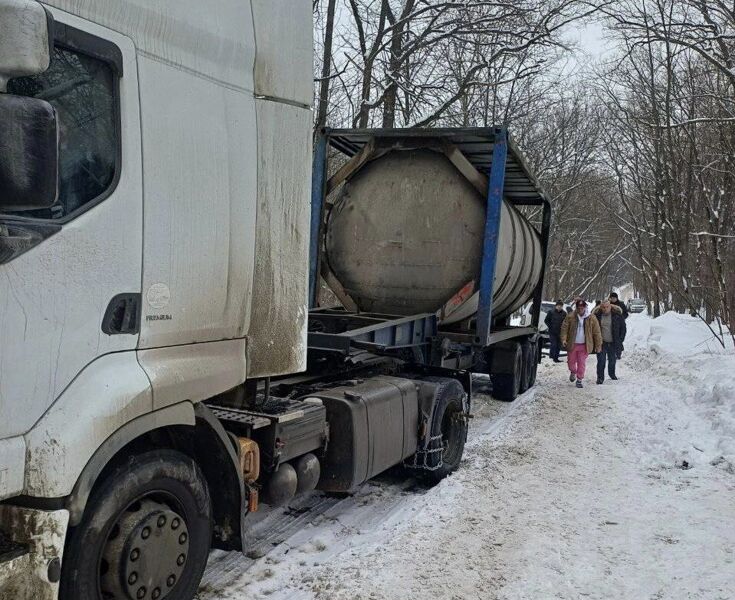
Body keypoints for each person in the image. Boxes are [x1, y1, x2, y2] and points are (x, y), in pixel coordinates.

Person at [560, 299, 602, 388]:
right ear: (576, 308)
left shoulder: (591, 318)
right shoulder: (570, 316)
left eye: (582, 308)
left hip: (584, 345)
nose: (580, 310)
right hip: (572, 344)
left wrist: (598, 345)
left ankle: (579, 379)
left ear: (585, 308)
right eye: (578, 308)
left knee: (581, 362)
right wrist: (564, 339)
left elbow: (597, 332)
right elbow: (564, 329)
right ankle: (573, 371)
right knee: (571, 362)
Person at [592, 301, 626, 384]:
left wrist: (620, 340)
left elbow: (623, 328)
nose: (605, 309)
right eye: (603, 307)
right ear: (601, 307)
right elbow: (592, 329)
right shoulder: (597, 316)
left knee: (612, 360)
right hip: (601, 343)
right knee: (601, 361)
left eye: (607, 307)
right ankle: (600, 378)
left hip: (613, 342)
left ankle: (612, 374)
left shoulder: (617, 316)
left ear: (610, 307)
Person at [608, 292, 629, 358]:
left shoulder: (621, 304)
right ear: (610, 298)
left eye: (614, 298)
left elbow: (626, 313)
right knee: (610, 339)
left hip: (619, 324)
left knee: (618, 339)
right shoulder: (608, 304)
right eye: (612, 298)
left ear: (617, 298)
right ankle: (610, 354)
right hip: (610, 323)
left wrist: (621, 318)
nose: (613, 299)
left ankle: (618, 353)